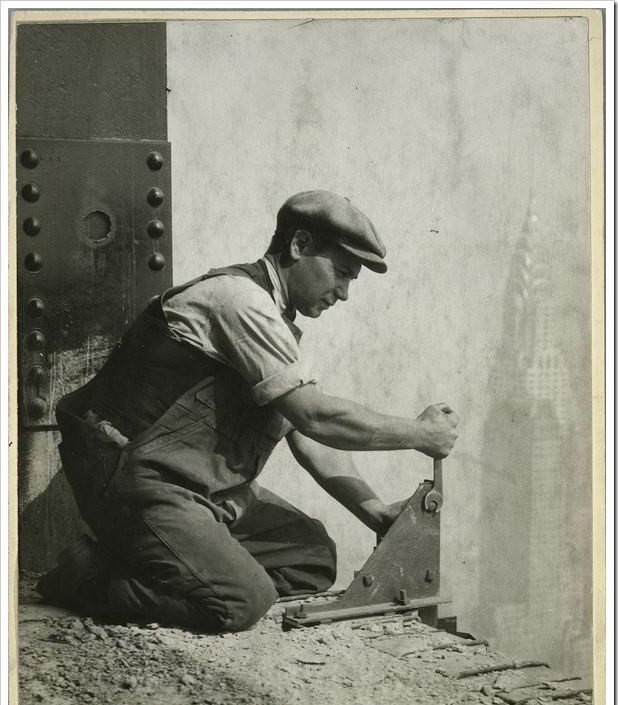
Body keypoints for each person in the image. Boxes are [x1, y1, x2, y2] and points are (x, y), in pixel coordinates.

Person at [38, 190, 459, 632]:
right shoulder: (239, 302)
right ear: (298, 246)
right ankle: (90, 577)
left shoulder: (272, 319)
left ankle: (163, 554)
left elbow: (306, 433)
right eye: (341, 272)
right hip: (137, 480)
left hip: (196, 488)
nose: (345, 293)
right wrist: (418, 433)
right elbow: (317, 416)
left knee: (311, 559)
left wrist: (374, 513)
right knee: (241, 602)